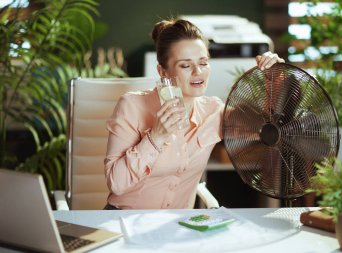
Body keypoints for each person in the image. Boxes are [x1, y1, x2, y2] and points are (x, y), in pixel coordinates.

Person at [103, 18, 285, 210]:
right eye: (185, 65)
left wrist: (275, 81)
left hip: (177, 229)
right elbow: (117, 184)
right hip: (123, 223)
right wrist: (156, 137)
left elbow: (268, 130)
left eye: (203, 63)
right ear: (162, 72)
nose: (198, 72)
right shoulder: (131, 105)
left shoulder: (214, 111)